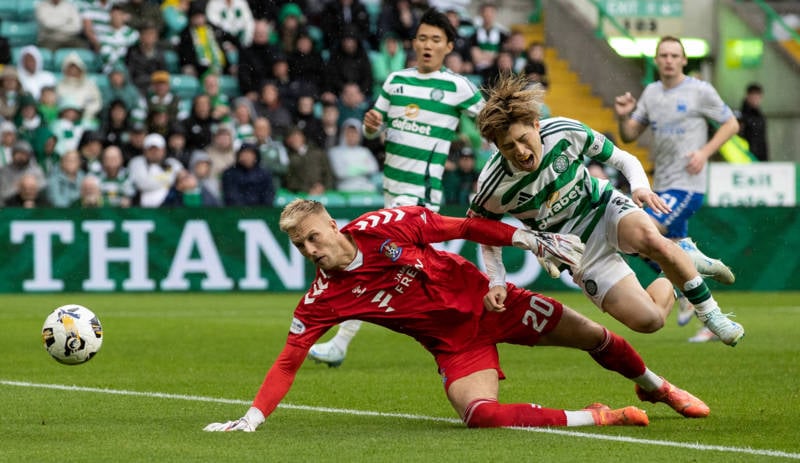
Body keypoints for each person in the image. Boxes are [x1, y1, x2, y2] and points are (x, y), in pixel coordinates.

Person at [204, 199, 710, 433]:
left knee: (597, 338)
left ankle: (656, 385)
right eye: (298, 245)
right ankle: (601, 415)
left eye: (313, 236)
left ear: (333, 225)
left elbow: (467, 225)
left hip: (498, 305)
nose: (310, 249)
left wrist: (525, 238)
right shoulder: (322, 299)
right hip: (455, 345)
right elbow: (289, 360)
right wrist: (251, 419)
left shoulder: (388, 226)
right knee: (479, 416)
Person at [469, 73, 743, 348]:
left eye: (523, 138)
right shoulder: (493, 185)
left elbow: (623, 158)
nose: (520, 151)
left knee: (650, 240)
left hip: (603, 208)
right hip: (576, 252)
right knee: (649, 320)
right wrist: (497, 281)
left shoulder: (564, 131)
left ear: (536, 124)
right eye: (508, 146)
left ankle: (712, 314)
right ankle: (685, 257)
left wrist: (639, 187)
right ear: (496, 147)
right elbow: (484, 233)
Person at [310, 8, 485, 366]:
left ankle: (341, 341)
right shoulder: (396, 81)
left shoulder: (458, 87)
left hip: (418, 197)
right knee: (401, 274)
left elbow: (491, 120)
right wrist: (372, 123)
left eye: (436, 40)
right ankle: (469, 325)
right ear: (413, 42)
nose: (427, 45)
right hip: (391, 190)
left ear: (449, 46)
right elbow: (375, 129)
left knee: (364, 259)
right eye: (422, 38)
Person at [614, 36, 740, 341]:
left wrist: (704, 153)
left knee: (643, 230)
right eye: (663, 55)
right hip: (662, 184)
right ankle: (703, 305)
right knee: (666, 251)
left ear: (684, 60)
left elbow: (731, 124)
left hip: (687, 185)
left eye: (674, 55)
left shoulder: (700, 90)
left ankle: (688, 286)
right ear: (657, 61)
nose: (669, 60)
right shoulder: (652, 93)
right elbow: (630, 135)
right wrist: (623, 115)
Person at [738, 83, 768, 162]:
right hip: (745, 159)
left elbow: (762, 142)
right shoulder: (741, 116)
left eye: (758, 96)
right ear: (747, 96)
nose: (755, 99)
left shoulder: (760, 116)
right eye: (753, 95)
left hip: (760, 159)